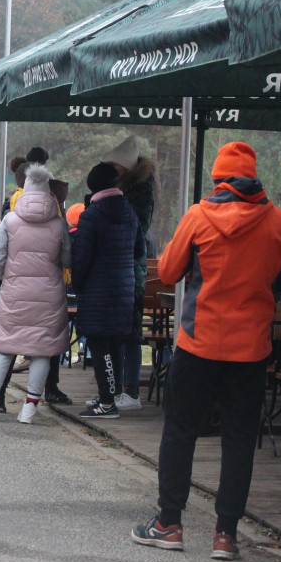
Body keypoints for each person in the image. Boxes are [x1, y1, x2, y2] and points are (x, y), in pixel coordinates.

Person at [131, 142, 281, 561]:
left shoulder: (199, 215)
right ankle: (226, 535)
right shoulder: (278, 221)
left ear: (219, 179)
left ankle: (169, 524)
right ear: (253, 177)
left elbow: (167, 271)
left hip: (197, 344)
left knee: (180, 432)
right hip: (251, 351)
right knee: (240, 441)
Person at [0, 164, 70, 424]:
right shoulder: (59, 224)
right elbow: (67, 259)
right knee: (42, 349)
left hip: (14, 291)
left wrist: (7, 278)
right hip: (50, 295)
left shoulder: (10, 220)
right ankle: (29, 410)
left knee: (3, 347)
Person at [70, 163, 144, 419]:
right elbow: (139, 251)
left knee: (100, 345)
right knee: (115, 344)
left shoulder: (91, 215)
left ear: (93, 186)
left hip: (97, 290)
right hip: (124, 289)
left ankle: (106, 403)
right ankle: (109, 396)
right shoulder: (130, 212)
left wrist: (77, 285)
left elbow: (81, 257)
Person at [102, 135, 157, 410]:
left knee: (131, 332)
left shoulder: (140, 193)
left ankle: (131, 391)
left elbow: (137, 229)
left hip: (131, 271)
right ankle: (116, 390)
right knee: (119, 333)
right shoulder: (129, 189)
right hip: (123, 268)